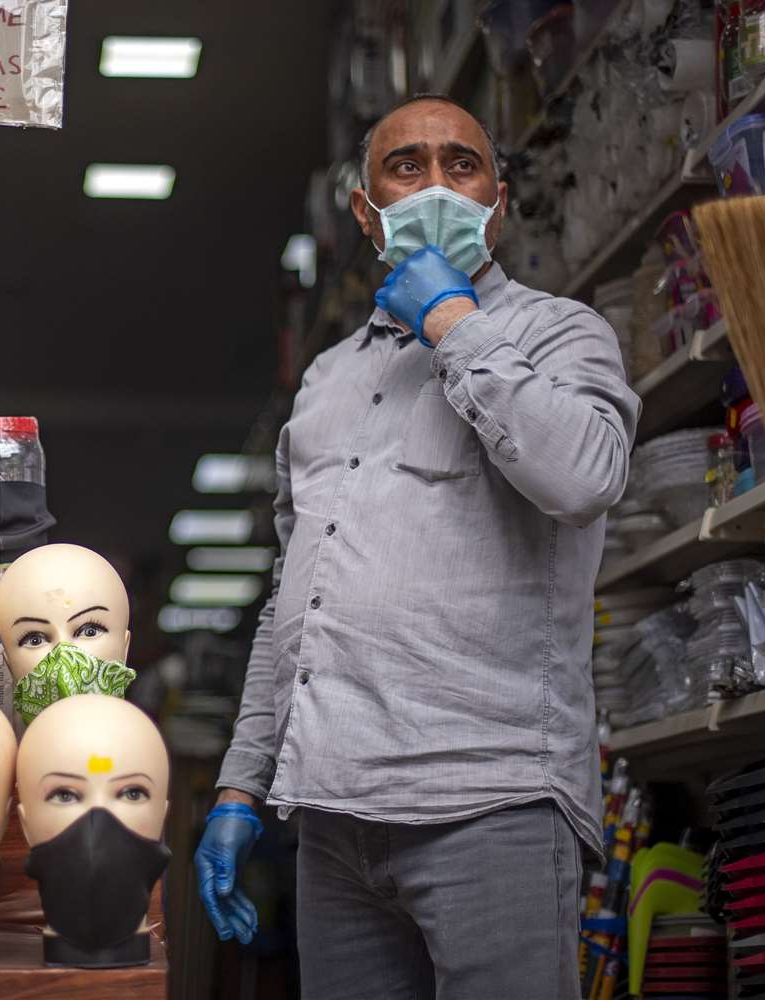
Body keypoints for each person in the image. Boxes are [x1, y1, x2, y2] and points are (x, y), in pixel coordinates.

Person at [194, 94, 639, 1000]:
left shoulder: (559, 333)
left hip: (492, 804)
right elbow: (295, 602)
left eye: (461, 165)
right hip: (333, 820)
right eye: (406, 167)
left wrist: (454, 322)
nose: (436, 184)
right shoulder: (327, 379)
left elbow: (587, 474)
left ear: (497, 201)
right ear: (366, 210)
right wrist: (242, 782)